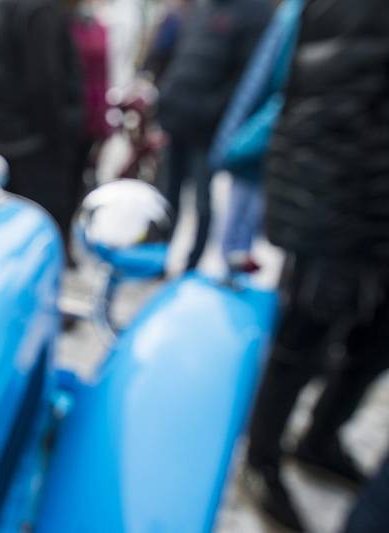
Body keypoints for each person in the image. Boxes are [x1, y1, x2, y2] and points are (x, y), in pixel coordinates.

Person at [242, 1, 389, 530]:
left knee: (372, 344)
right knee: (302, 341)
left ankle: (321, 437)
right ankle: (261, 459)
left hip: (361, 208)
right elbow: (323, 110)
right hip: (341, 211)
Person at [156, 0, 272, 271]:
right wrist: (167, 99)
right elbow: (181, 57)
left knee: (203, 202)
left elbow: (246, 77)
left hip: (207, 128)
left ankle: (192, 265)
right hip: (177, 118)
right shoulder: (201, 8)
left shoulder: (255, 13)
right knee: (167, 196)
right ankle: (158, 257)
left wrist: (212, 112)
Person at [0, 0, 83, 247]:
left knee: (5, 235)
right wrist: (61, 140)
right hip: (36, 146)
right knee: (40, 237)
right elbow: (46, 84)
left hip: (1, 137)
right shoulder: (39, 8)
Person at [208, 0, 304, 277]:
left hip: (272, 143)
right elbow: (261, 82)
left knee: (244, 238)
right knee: (237, 239)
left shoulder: (291, 12)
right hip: (264, 142)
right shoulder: (293, 12)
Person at [69, 0, 110, 202]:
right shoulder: (67, 26)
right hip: (73, 115)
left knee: (85, 174)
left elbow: (104, 76)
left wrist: (104, 117)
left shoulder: (99, 27)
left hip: (93, 113)